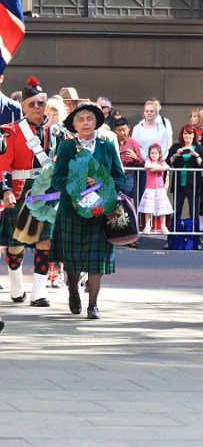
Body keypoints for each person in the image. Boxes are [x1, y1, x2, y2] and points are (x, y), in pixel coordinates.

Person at [50, 103, 126, 319]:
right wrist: (77, 182)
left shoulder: (107, 146)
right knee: (72, 259)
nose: (85, 123)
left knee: (96, 262)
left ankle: (93, 304)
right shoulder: (66, 147)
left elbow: (120, 178)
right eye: (81, 120)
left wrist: (103, 182)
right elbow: (57, 179)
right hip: (71, 213)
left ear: (96, 123)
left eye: (89, 119)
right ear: (74, 125)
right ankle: (73, 291)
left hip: (101, 212)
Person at [0, 78, 55, 307]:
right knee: (16, 244)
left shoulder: (56, 131)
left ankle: (39, 293)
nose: (36, 108)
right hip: (21, 192)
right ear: (23, 106)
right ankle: (16, 287)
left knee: (45, 241)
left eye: (40, 103)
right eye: (31, 104)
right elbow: (4, 164)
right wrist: (5, 190)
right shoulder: (10, 131)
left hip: (47, 193)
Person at [165, 124, 203, 228]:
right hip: (179, 184)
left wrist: (195, 154)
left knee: (194, 211)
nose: (187, 136)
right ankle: (173, 235)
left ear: (194, 135)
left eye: (190, 134)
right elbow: (168, 163)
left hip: (193, 185)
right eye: (185, 133)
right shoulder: (176, 147)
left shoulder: (199, 148)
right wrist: (175, 155)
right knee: (177, 210)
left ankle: (195, 235)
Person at [139, 143, 173, 234]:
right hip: (150, 188)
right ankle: (147, 225)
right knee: (148, 208)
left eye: (156, 153)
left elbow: (167, 167)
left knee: (162, 208)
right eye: (152, 153)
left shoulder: (161, 162)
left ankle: (163, 226)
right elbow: (146, 166)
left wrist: (157, 168)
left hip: (160, 188)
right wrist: (156, 167)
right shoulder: (148, 161)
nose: (154, 155)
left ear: (159, 154)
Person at [114, 118, 144, 198]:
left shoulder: (134, 143)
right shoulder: (112, 142)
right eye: (119, 130)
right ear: (115, 130)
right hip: (114, 175)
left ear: (129, 128)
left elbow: (142, 162)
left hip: (128, 175)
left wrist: (135, 157)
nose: (122, 133)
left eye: (124, 130)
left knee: (127, 198)